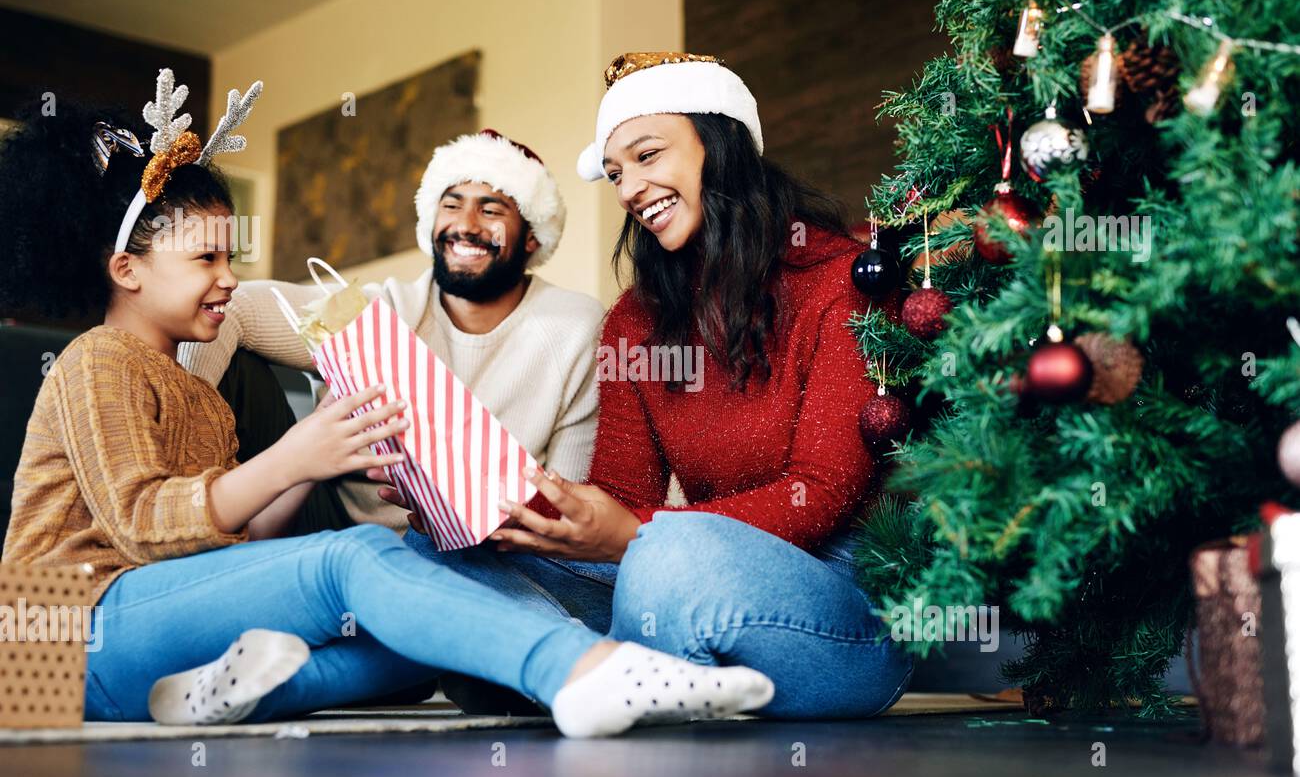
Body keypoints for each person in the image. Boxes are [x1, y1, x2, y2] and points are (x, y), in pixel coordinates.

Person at [0, 69, 774, 737]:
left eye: (230, 254)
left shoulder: (194, 396)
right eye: (206, 256)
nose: (230, 276)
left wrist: (321, 453)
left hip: (152, 654)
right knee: (356, 560)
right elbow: (142, 525)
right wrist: (293, 456)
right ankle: (587, 671)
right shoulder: (96, 359)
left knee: (428, 618)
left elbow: (238, 536)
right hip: (59, 644)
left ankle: (228, 695)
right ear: (124, 270)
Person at [392, 51, 915, 719]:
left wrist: (634, 534)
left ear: (719, 143)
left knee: (667, 555)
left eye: (647, 155)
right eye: (614, 173)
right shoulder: (634, 324)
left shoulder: (842, 279)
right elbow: (620, 500)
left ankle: (555, 664)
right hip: (672, 569)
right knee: (433, 551)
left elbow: (821, 495)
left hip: (842, 608)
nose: (629, 188)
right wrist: (491, 510)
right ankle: (587, 665)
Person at [179, 128, 606, 537]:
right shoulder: (384, 309)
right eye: (452, 205)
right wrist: (179, 448)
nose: (466, 225)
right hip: (332, 524)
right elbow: (234, 306)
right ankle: (183, 526)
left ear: (532, 236)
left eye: (491, 209)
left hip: (488, 547)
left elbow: (567, 503)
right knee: (230, 350)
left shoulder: (572, 327)